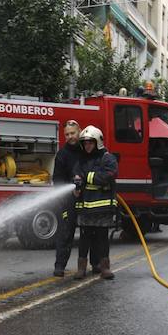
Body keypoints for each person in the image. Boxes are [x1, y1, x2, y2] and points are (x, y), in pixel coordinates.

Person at [73, 125, 117, 280]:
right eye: (85, 143)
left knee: (102, 238)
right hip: (85, 207)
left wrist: (87, 178)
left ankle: (105, 268)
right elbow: (77, 176)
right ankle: (81, 269)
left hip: (102, 207)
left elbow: (108, 176)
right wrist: (77, 183)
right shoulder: (82, 160)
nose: (87, 146)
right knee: (84, 239)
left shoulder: (108, 158)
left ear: (97, 142)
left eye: (90, 142)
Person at [51, 120, 83, 277]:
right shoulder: (62, 155)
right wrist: (71, 192)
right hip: (68, 200)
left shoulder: (87, 149)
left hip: (88, 199)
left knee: (90, 233)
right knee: (65, 233)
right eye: (67, 134)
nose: (70, 136)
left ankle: (95, 265)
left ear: (79, 131)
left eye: (73, 133)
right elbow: (57, 180)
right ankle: (59, 266)